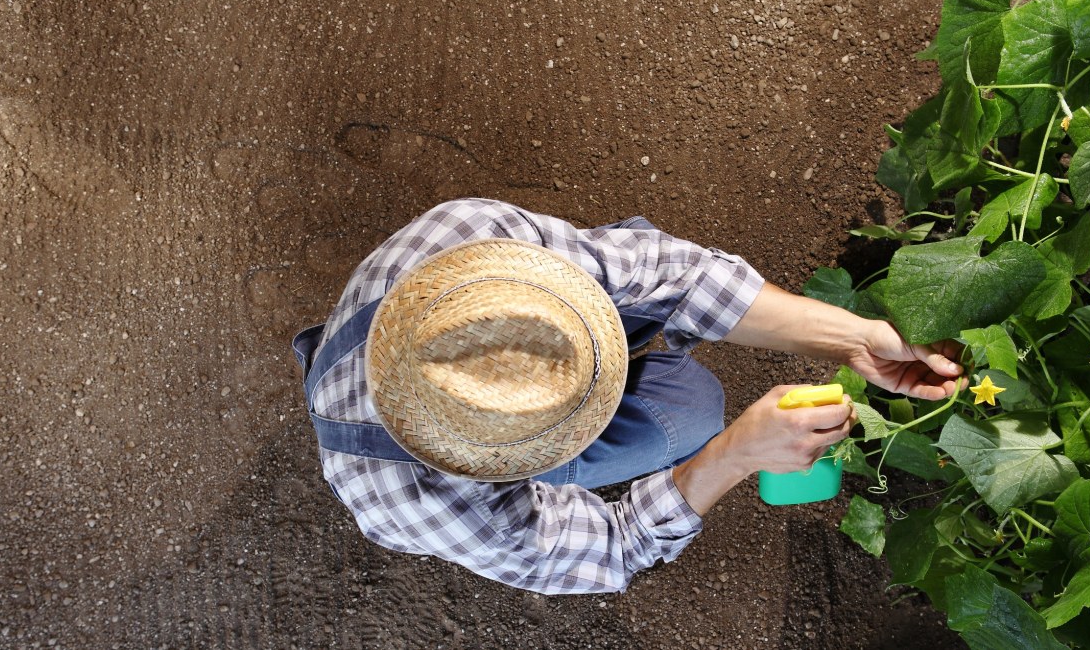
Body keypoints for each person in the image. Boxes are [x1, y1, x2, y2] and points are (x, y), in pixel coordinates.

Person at [291, 198, 964, 595]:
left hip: (408, 366)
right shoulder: (424, 503)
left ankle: (605, 345)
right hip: (412, 457)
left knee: (632, 254)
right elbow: (611, 547)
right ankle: (594, 408)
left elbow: (681, 273)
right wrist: (734, 454)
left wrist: (853, 339)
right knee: (694, 409)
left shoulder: (468, 238)